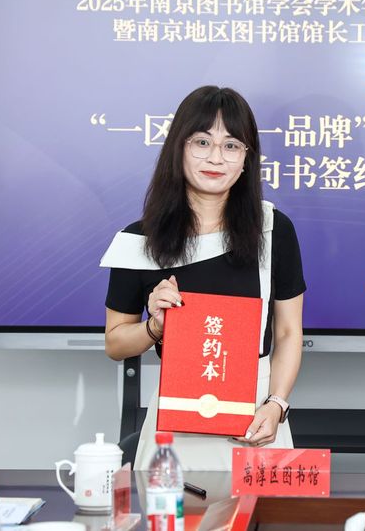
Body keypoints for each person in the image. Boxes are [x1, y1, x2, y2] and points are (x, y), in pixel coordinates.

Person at [101, 85, 305, 471]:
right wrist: (155, 327)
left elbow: (288, 332)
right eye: (202, 142)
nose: (216, 157)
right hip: (174, 427)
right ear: (178, 148)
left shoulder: (274, 230)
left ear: (247, 158)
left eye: (231, 145)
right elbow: (115, 343)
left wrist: (277, 404)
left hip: (258, 421)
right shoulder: (139, 240)